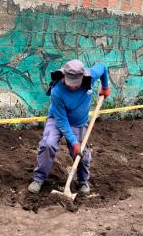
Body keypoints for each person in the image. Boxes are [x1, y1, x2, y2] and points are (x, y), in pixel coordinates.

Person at [28, 59, 110, 195]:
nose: (72, 86)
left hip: (79, 123)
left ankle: (83, 182)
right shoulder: (57, 91)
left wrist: (105, 87)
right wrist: (73, 142)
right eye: (69, 83)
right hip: (57, 119)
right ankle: (38, 179)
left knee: (81, 153)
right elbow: (62, 121)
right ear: (64, 76)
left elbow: (103, 67)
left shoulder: (91, 76)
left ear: (82, 77)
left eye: (76, 84)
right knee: (48, 144)